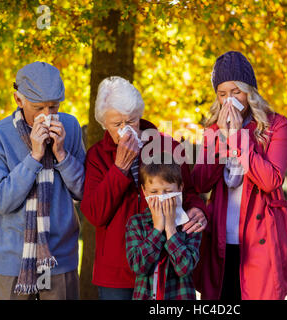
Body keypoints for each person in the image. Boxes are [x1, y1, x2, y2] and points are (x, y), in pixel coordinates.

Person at [192, 51, 287, 300]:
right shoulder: (213, 129)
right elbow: (200, 182)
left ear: (249, 91)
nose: (229, 100)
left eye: (236, 92)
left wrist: (239, 138)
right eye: (223, 94)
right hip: (219, 237)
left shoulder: (276, 126)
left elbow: (270, 180)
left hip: (259, 238)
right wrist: (221, 139)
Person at [80, 76, 207, 300]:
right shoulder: (97, 156)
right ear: (103, 124)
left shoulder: (169, 147)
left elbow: (189, 194)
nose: (125, 131)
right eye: (116, 125)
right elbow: (94, 214)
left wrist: (197, 209)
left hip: (166, 265)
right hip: (117, 273)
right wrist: (119, 169)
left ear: (139, 117)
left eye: (131, 122)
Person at [0, 61, 86, 300]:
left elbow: (83, 191)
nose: (48, 115)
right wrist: (35, 156)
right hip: (14, 262)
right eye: (39, 107)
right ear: (19, 100)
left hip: (60, 258)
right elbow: (1, 201)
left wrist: (61, 154)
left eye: (54, 107)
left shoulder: (70, 126)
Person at [125, 154, 201, 300]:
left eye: (168, 191)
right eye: (154, 192)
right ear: (145, 191)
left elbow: (184, 268)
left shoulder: (190, 224)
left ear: (180, 188)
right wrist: (158, 228)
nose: (161, 197)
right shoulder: (136, 223)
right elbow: (138, 267)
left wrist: (171, 229)